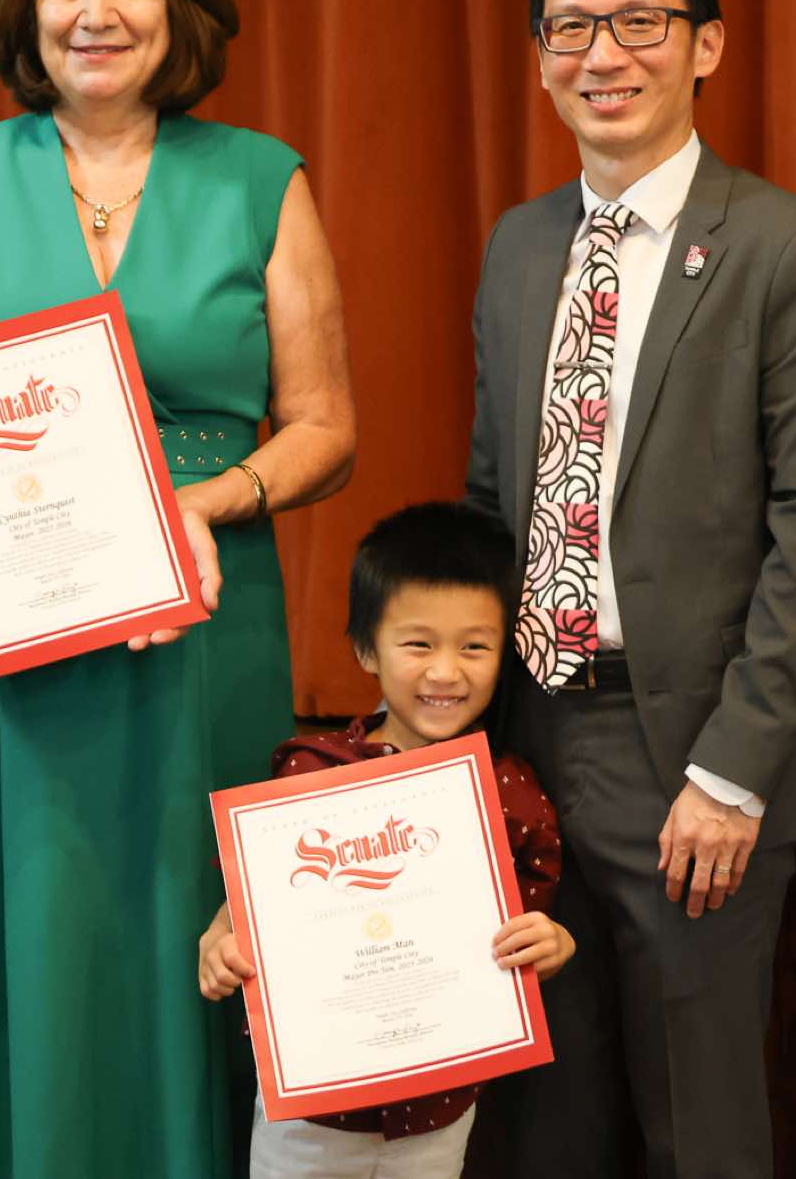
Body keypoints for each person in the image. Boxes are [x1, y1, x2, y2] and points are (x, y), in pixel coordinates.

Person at [0, 0, 356, 1179]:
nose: (97, 10)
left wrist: (197, 502)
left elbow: (324, 426)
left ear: (178, 6)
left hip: (196, 626)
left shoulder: (262, 181)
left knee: (172, 931)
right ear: (26, 13)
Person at [464, 0, 796, 1178]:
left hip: (693, 759)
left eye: (638, 22)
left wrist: (732, 774)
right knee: (548, 1133)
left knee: (700, 1136)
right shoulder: (520, 248)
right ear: (539, 54)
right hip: (532, 742)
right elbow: (492, 500)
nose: (601, 56)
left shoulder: (790, 249)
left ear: (705, 43)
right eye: (569, 28)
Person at [197, 501, 574, 1179]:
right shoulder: (310, 776)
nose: (446, 672)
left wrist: (553, 943)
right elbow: (254, 909)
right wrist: (221, 940)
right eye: (419, 644)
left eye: (474, 646)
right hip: (312, 1118)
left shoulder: (510, 792)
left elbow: (523, 929)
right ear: (367, 648)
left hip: (439, 1112)